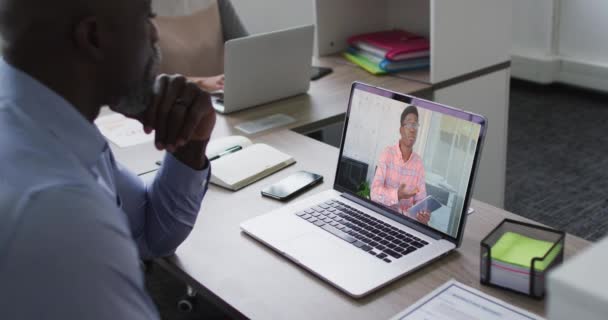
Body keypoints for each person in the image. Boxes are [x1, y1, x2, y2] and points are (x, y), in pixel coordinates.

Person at [0, 0, 215, 318]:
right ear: (94, 37)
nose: (155, 35)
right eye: (147, 19)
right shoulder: (60, 213)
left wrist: (189, 145)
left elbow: (149, 235)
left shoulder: (47, 120)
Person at [153, 0, 248, 92]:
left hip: (223, 99)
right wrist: (200, 82)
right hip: (174, 104)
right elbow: (142, 84)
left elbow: (248, 51)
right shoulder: (140, 9)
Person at [370, 105, 431, 225]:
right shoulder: (387, 153)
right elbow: (374, 193)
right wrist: (397, 195)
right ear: (401, 129)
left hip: (406, 224)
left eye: (415, 125)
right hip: (382, 219)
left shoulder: (418, 163)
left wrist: (423, 215)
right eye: (408, 124)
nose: (412, 129)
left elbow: (421, 202)